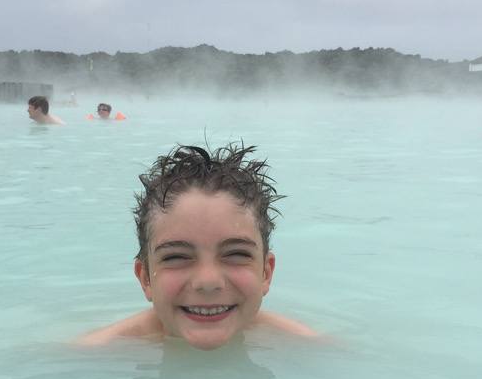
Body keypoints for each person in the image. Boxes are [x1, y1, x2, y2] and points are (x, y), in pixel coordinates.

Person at [80, 143, 315, 350]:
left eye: (236, 254)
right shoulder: (95, 354)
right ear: (145, 279)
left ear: (266, 272)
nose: (208, 282)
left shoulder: (307, 349)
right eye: (176, 257)